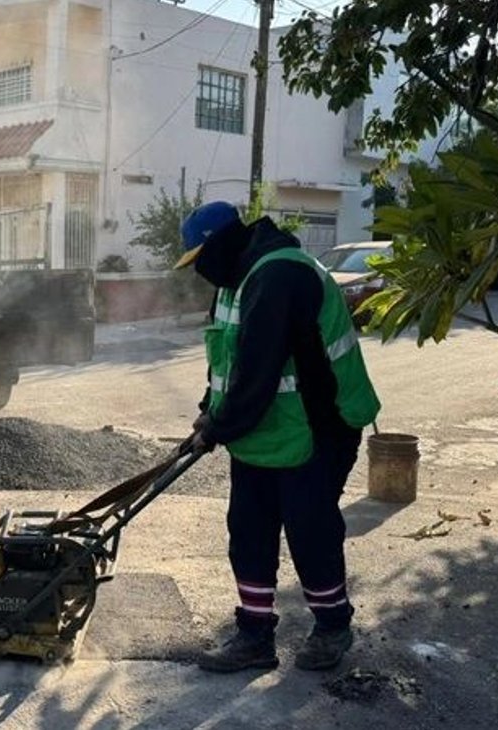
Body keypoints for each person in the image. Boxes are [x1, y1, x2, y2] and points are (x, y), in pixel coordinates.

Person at [177, 201, 381, 673]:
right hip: (262, 431)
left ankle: (333, 627)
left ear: (221, 244)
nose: (199, 273)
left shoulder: (279, 276)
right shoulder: (236, 281)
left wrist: (219, 429)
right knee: (248, 531)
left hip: (317, 426)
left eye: (199, 260)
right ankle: (254, 637)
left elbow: (260, 373)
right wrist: (210, 412)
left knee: (310, 531)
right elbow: (226, 365)